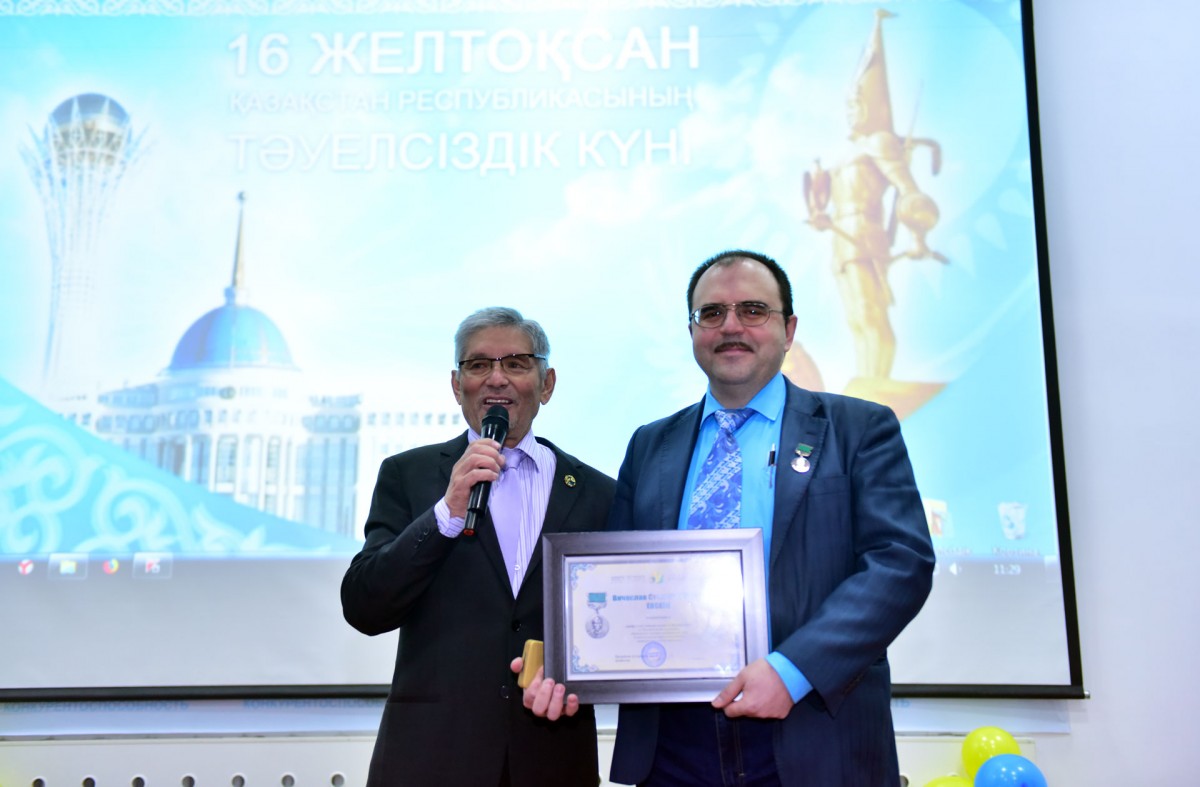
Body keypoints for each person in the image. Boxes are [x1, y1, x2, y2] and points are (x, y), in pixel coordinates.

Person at [520, 251, 935, 786]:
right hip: (674, 746)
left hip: (811, 729)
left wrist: (793, 672)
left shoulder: (858, 428)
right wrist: (568, 665)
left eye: (753, 310)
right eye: (711, 313)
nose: (731, 326)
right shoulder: (650, 444)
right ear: (693, 331)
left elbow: (899, 563)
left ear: (789, 330)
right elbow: (615, 576)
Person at [342, 306, 615, 786]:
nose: (496, 378)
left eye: (516, 363)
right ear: (456, 384)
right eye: (478, 364)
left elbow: (613, 621)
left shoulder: (597, 493)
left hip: (553, 757)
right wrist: (446, 513)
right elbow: (366, 606)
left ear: (547, 384)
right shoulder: (409, 475)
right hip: (432, 758)